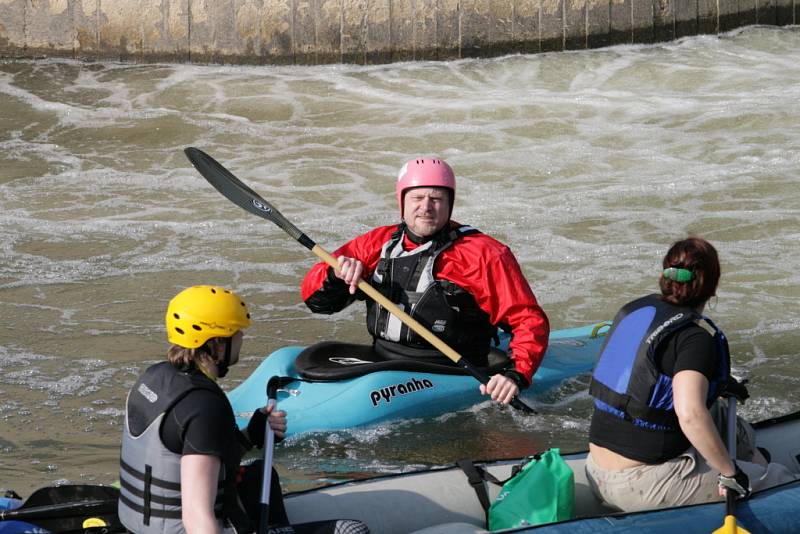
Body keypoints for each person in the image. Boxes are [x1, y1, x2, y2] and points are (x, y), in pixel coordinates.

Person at [118, 285, 368, 533]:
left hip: (138, 526)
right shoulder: (204, 405)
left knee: (258, 476)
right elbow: (196, 517)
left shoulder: (153, 378)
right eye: (236, 332)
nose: (241, 339)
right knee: (351, 531)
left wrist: (249, 436)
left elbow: (176, 454)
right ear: (216, 343)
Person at [301, 157, 549, 404]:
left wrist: (515, 375)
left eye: (436, 199)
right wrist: (336, 276)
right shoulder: (377, 243)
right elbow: (318, 303)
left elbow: (528, 320)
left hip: (449, 370)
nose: (426, 207)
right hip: (384, 359)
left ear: (450, 204)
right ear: (402, 202)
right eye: (417, 198)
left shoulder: (484, 255)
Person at [585, 237, 795, 512]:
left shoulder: (637, 309)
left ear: (665, 276)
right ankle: (759, 476)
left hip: (596, 468)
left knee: (719, 412)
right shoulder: (694, 338)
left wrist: (718, 384)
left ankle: (753, 463)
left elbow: (645, 378)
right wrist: (729, 474)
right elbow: (690, 415)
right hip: (639, 484)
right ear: (712, 286)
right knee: (782, 482)